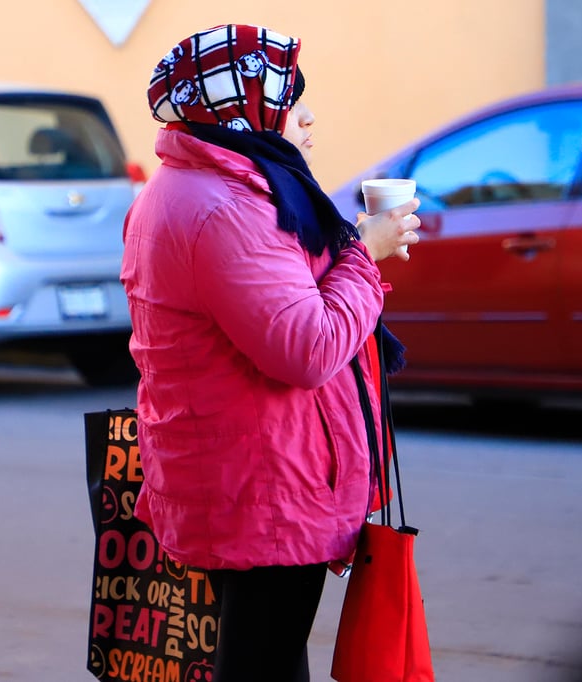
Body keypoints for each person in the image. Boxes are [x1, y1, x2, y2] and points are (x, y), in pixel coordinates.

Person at [120, 24, 420, 682]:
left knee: (267, 659)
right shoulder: (224, 207)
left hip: (248, 477)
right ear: (239, 111)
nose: (306, 116)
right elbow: (308, 348)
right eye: (289, 100)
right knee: (263, 662)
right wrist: (363, 254)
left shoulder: (210, 188)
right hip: (262, 488)